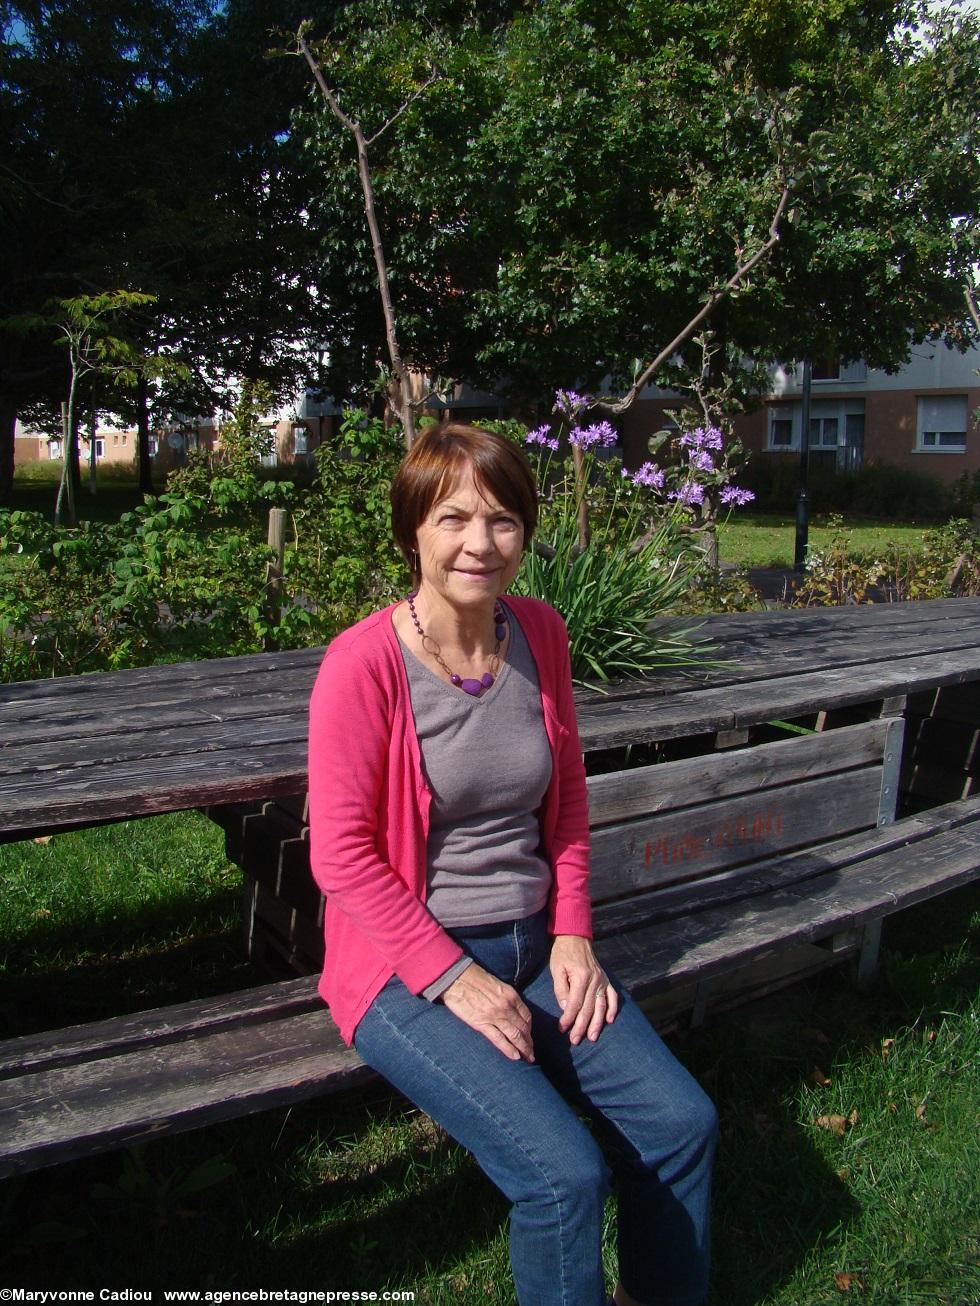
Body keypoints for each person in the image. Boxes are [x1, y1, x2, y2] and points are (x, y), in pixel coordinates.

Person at [307, 422, 717, 1306]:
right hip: (402, 969)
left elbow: (564, 795)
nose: (479, 544)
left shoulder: (540, 632)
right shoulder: (361, 664)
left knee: (681, 1123)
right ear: (411, 530)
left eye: (502, 520)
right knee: (562, 1177)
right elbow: (340, 855)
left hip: (537, 946)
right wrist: (450, 975)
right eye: (453, 518)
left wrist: (572, 934)